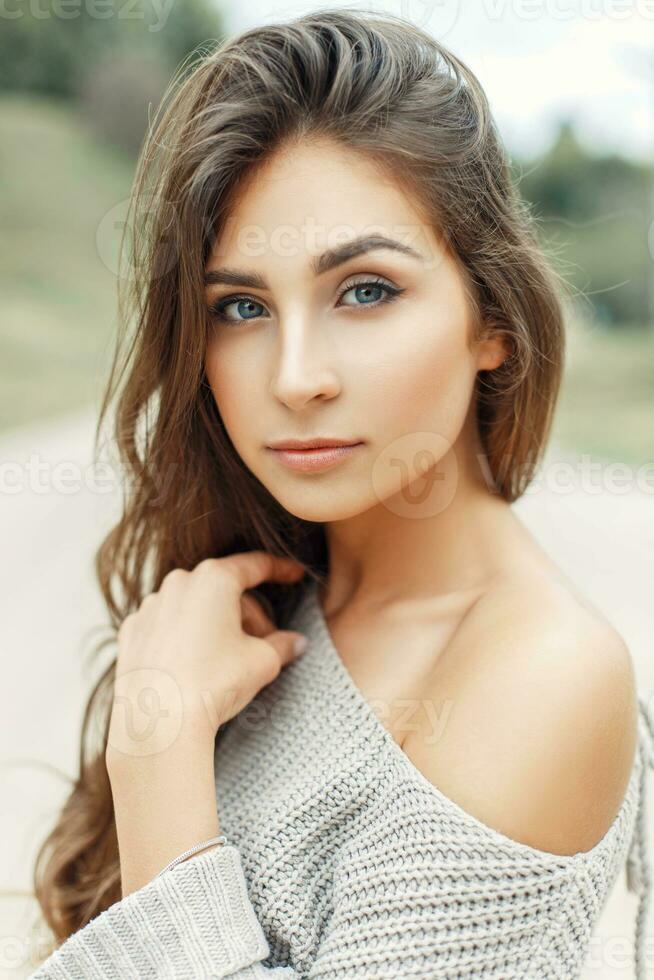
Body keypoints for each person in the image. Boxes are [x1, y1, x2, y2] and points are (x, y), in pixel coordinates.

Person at [30, 7, 653, 978]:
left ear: (493, 320)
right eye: (241, 307)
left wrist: (157, 756)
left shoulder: (544, 671)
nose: (296, 375)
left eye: (364, 289)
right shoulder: (264, 597)